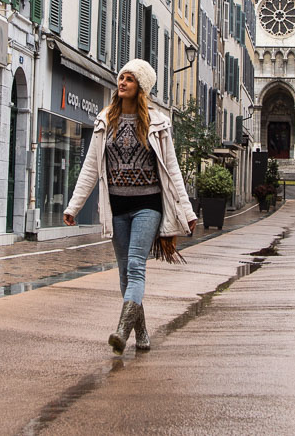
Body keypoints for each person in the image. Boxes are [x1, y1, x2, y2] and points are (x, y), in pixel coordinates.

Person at [64, 59, 197, 353]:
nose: (122, 82)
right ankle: (142, 332)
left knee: (136, 266)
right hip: (117, 207)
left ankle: (122, 332)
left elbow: (172, 171)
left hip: (148, 206)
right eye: (121, 77)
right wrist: (73, 207)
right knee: (125, 272)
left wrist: (187, 211)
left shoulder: (158, 123)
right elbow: (90, 168)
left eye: (129, 79)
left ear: (141, 88)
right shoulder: (104, 121)